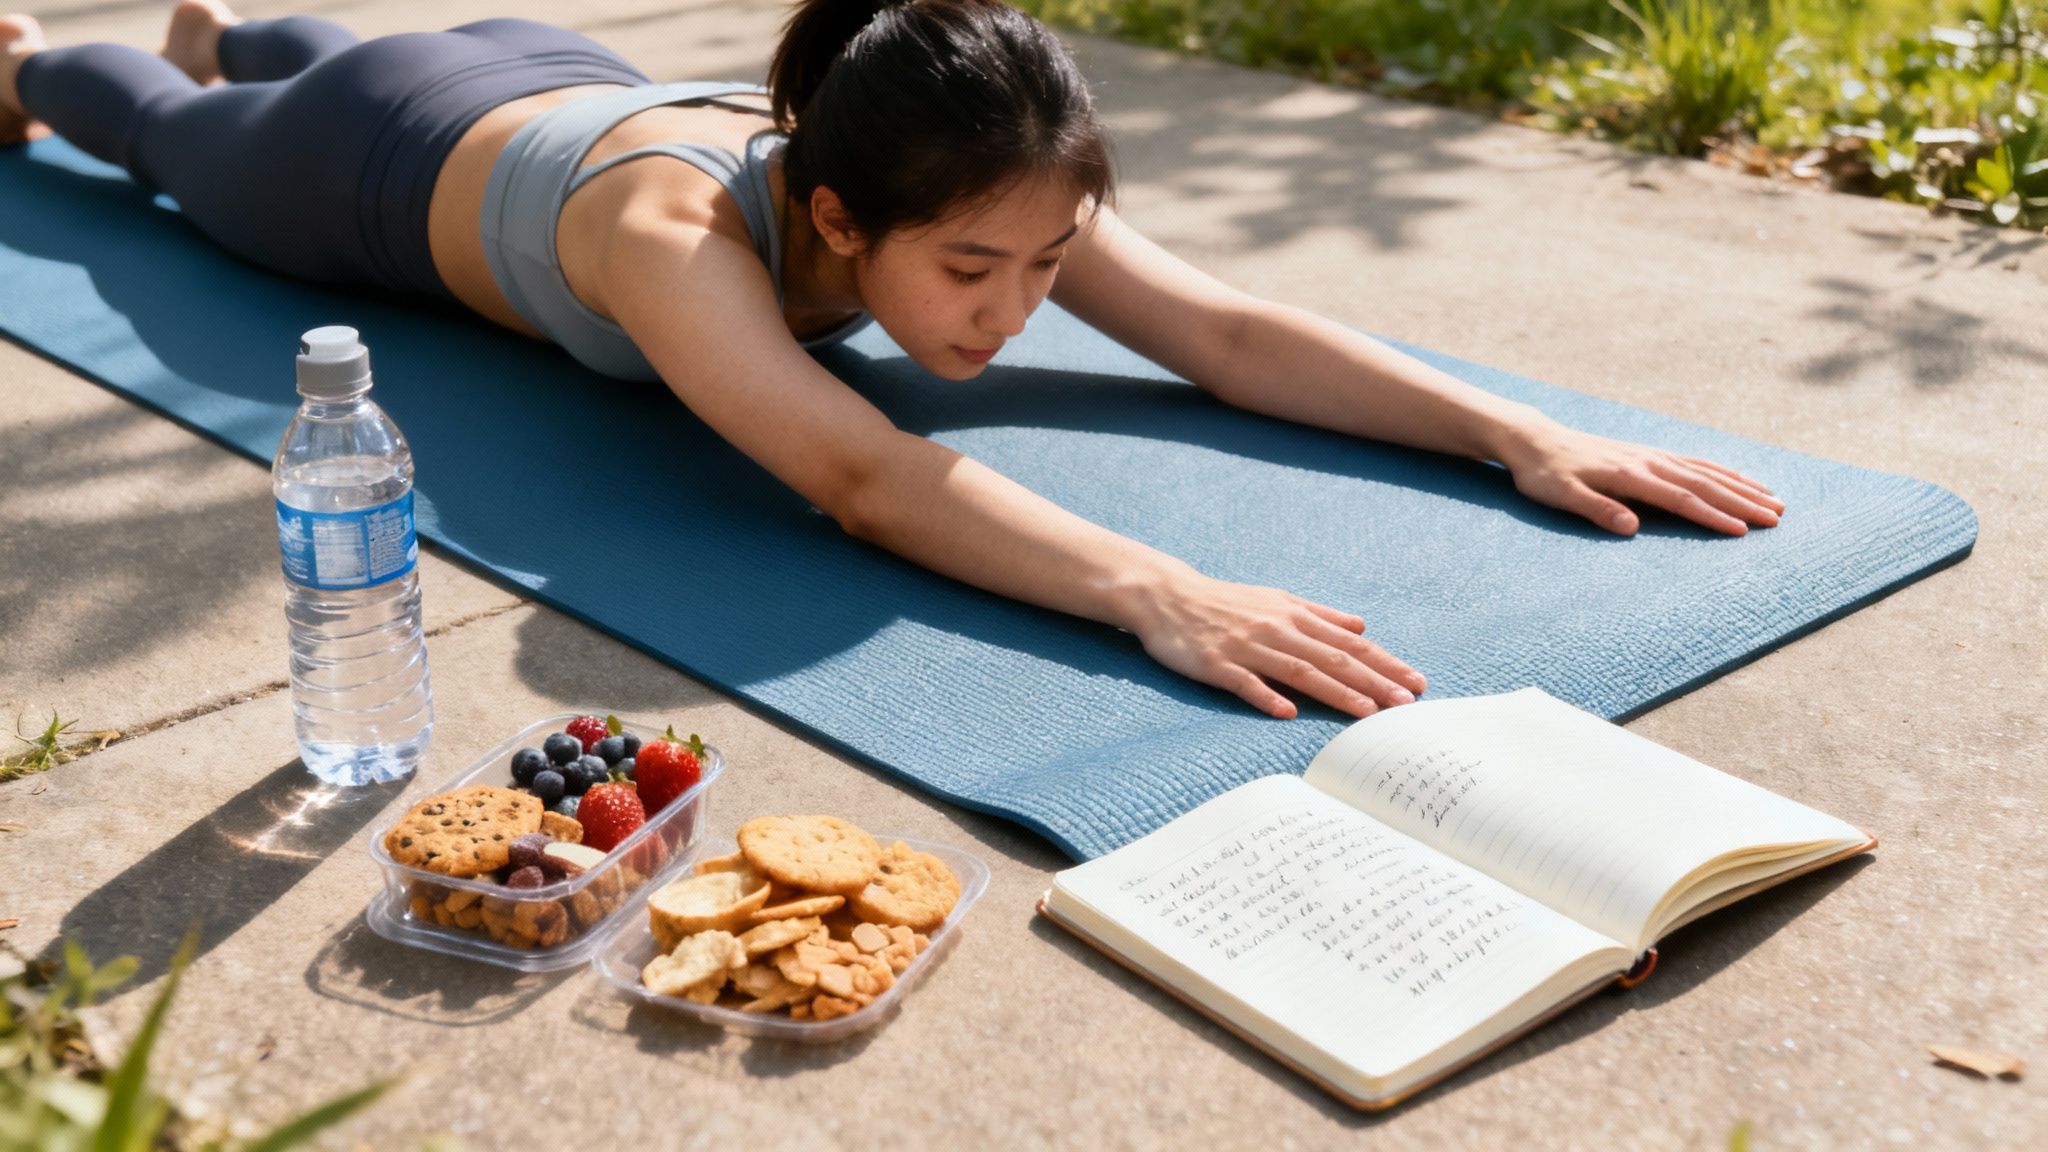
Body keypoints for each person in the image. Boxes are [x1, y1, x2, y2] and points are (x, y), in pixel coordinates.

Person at [0, 0, 1784, 721]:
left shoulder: (978, 189)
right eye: (973, 272)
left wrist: (1513, 432)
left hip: (548, 66)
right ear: (837, 217)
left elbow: (1226, 336)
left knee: (293, 57)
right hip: (379, 162)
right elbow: (859, 473)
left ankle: (262, 22)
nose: (1013, 312)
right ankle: (51, 53)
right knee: (161, 140)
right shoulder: (670, 239)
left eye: (1051, 262)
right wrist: (1159, 589)